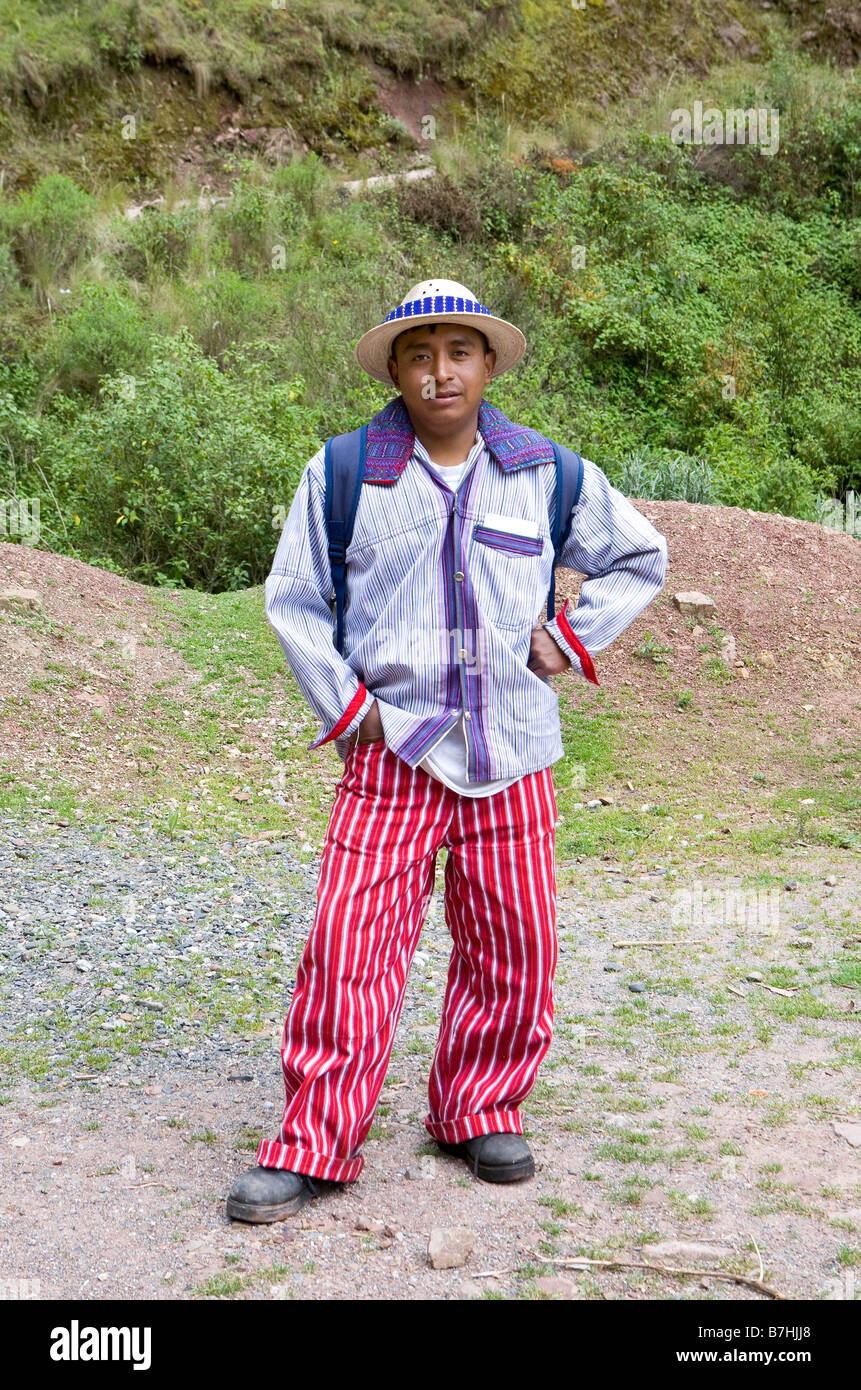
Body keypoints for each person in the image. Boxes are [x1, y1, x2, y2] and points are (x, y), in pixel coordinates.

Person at [225, 278, 668, 1223]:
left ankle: (478, 1107)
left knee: (515, 948)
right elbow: (295, 601)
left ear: (487, 364)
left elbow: (640, 556)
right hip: (393, 759)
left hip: (512, 756)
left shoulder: (550, 472)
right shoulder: (342, 474)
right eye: (418, 354)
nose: (439, 372)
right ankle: (313, 1140)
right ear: (394, 368)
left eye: (458, 352)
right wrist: (354, 712)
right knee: (347, 953)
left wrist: (569, 640)